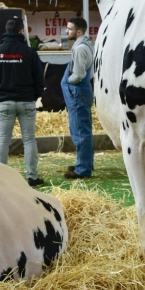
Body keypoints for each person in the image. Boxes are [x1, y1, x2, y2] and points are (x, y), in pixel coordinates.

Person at [0, 18, 46, 186]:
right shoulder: (30, 53)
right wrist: (34, 96)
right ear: (21, 31)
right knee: (29, 140)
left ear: (6, 31)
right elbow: (39, 79)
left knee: (3, 140)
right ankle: (32, 177)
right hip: (26, 102)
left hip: (5, 102)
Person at [61, 17, 94, 179]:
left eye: (70, 29)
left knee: (80, 131)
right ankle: (85, 163)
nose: (67, 31)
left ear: (78, 32)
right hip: (81, 91)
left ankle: (83, 170)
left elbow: (79, 74)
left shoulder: (80, 48)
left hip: (78, 91)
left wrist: (68, 81)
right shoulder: (83, 45)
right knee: (82, 129)